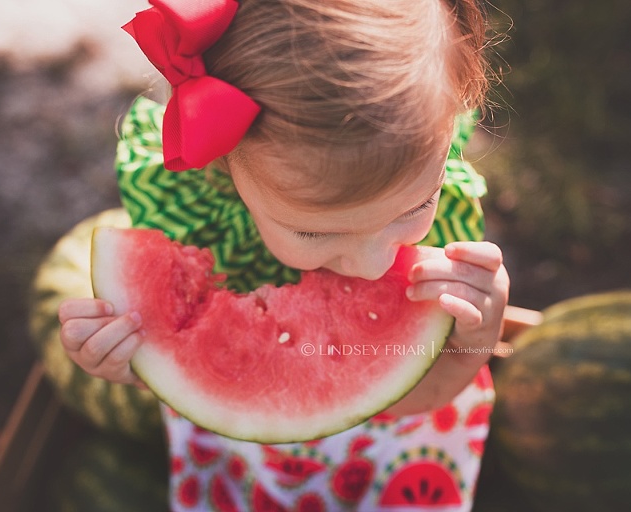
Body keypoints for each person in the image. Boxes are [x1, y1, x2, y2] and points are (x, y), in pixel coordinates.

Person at [58, 0, 510, 510]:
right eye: (314, 234)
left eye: (417, 205)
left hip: (401, 455)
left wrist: (473, 341)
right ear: (228, 168)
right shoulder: (193, 221)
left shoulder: (441, 227)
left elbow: (419, 397)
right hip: (242, 463)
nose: (374, 264)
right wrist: (130, 360)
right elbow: (188, 365)